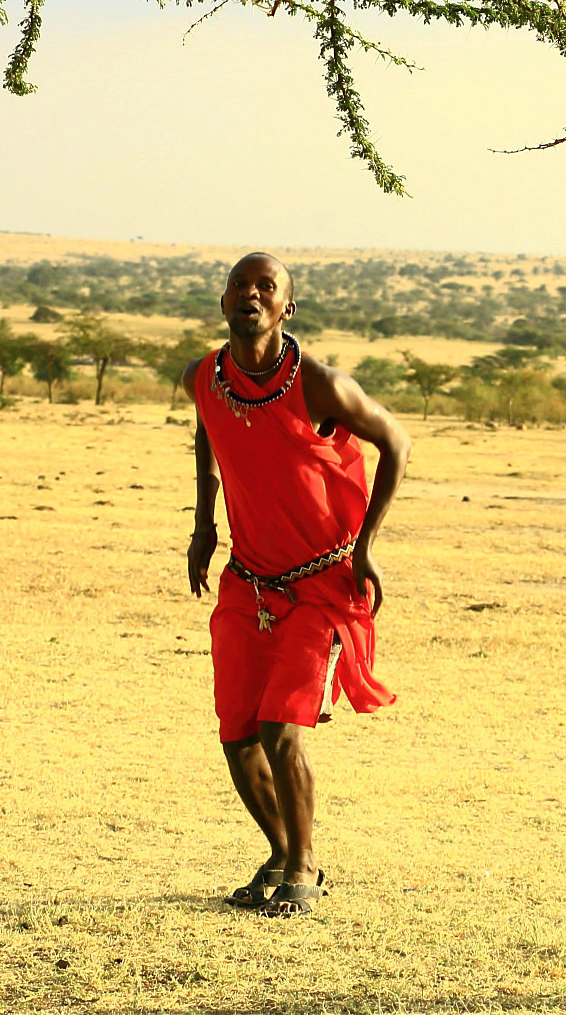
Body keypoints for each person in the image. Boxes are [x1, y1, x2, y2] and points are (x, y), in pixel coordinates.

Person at [182, 252, 411, 917]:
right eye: (239, 286)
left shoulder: (320, 385)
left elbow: (395, 441)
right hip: (248, 580)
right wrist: (204, 524)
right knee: (238, 735)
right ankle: (282, 852)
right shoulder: (208, 376)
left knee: (283, 729)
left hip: (324, 582)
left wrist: (367, 545)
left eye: (266, 287)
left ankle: (304, 872)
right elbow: (208, 431)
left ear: (288, 307)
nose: (249, 295)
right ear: (223, 302)